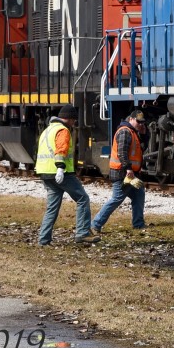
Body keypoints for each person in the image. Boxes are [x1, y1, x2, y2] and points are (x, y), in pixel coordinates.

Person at [35, 105, 99, 246]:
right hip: (61, 173)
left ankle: (43, 239)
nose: (74, 123)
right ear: (70, 119)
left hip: (45, 173)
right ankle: (82, 233)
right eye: (74, 120)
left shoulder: (47, 130)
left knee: (52, 207)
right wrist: (60, 168)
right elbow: (61, 150)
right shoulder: (63, 130)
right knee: (82, 198)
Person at [90, 109, 148, 234]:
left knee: (139, 195)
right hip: (123, 173)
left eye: (142, 122)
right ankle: (95, 224)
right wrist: (128, 169)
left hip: (130, 174)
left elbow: (140, 149)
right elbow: (122, 153)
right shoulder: (125, 132)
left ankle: (138, 223)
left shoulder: (133, 132)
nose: (140, 124)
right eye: (138, 122)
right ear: (131, 119)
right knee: (117, 199)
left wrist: (144, 134)